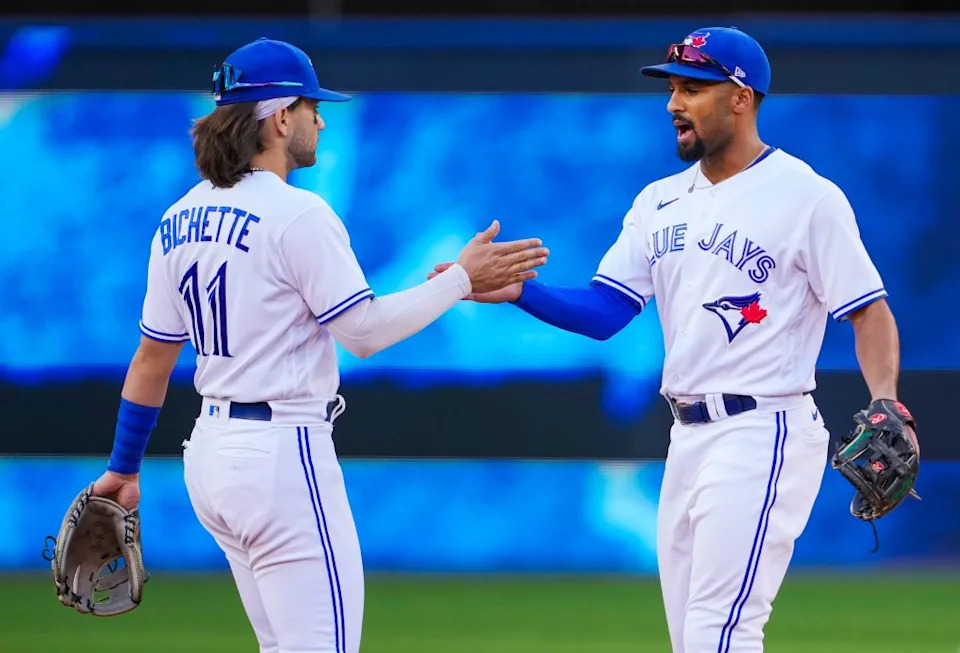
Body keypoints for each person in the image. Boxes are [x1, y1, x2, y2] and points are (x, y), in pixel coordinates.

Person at [430, 26, 914, 652]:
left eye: (692, 88)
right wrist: (525, 293)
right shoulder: (659, 202)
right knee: (693, 639)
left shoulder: (807, 198)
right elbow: (607, 309)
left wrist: (886, 401)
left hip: (761, 430)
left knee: (722, 632)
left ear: (741, 97)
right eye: (672, 89)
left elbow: (867, 309)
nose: (673, 103)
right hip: (685, 439)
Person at [88, 37, 548, 653]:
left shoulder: (177, 219)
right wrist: (462, 279)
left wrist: (123, 466)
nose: (321, 119)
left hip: (211, 454)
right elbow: (364, 333)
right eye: (311, 106)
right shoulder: (297, 214)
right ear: (279, 117)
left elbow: (151, 359)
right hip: (281, 456)